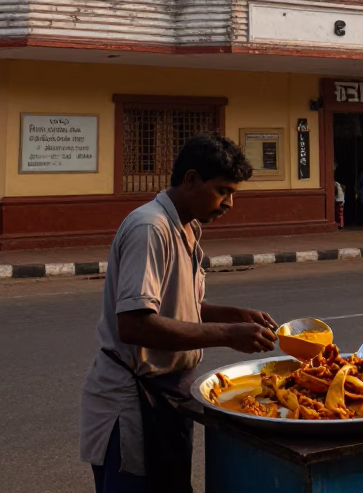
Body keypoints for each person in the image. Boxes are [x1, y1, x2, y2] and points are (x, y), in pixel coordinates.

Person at [80, 133, 277, 493]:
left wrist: (233, 315)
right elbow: (136, 324)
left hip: (170, 397)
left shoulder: (187, 226)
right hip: (134, 400)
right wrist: (228, 336)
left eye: (233, 193)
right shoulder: (150, 228)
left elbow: (176, 306)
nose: (229, 203)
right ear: (190, 180)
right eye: (222, 191)